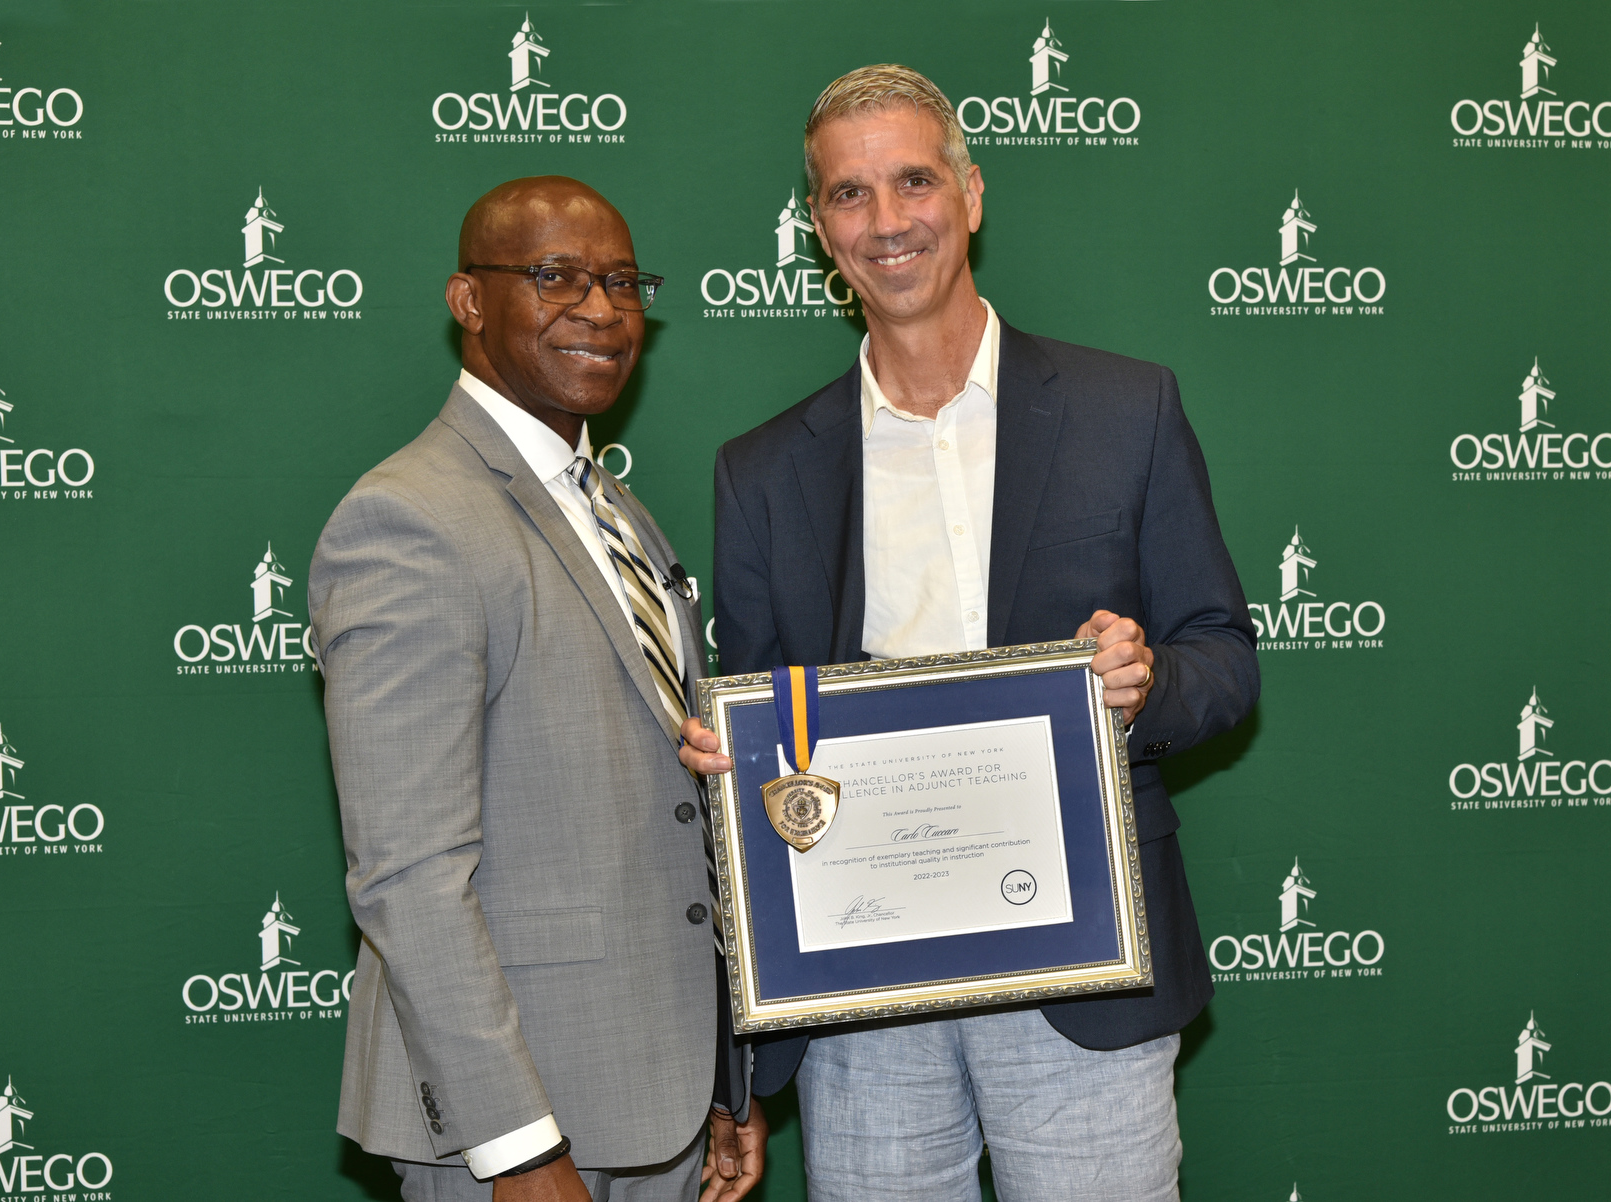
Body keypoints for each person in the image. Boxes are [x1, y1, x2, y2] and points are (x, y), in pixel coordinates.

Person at [679, 68, 1258, 1201]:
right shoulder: (759, 472)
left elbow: (1224, 656)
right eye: (849, 195)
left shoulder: (1123, 408)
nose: (887, 221)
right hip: (863, 995)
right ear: (819, 229)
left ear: (972, 193)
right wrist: (729, 757)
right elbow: (753, 723)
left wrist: (1149, 683)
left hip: (1086, 977)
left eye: (913, 180)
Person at [311, 176, 765, 1202]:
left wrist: (723, 1082)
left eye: (620, 281)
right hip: (520, 1127)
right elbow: (407, 873)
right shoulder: (409, 519)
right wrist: (516, 1145)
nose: (600, 308)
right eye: (554, 276)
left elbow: (674, 813)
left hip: (658, 1102)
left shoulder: (613, 509)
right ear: (468, 301)